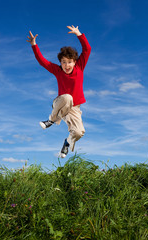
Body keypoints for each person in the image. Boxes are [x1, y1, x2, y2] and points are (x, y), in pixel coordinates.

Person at [27, 25, 91, 158]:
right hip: (61, 103)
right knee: (67, 97)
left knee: (79, 132)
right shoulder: (58, 71)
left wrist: (79, 34)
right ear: (60, 63)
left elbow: (87, 49)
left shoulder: (80, 67)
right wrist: (34, 45)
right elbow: (42, 61)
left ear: (74, 62)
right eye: (63, 62)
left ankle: (67, 143)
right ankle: (50, 120)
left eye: (69, 62)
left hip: (74, 108)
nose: (66, 65)